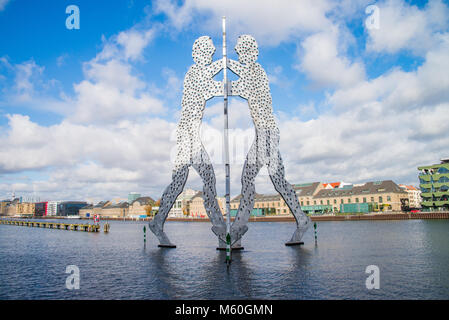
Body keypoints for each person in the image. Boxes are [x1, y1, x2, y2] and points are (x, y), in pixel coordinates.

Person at [227, 35, 311, 245]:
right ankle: (301, 220)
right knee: (279, 181)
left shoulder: (256, 72)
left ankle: (238, 229)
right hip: (268, 132)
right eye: (236, 53)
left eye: (239, 52)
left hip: (266, 133)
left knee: (247, 178)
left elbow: (240, 86)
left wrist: (225, 65)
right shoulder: (252, 71)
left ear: (248, 52)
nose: (238, 55)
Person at [149, 36, 227, 247]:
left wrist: (224, 63)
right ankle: (221, 232)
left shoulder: (199, 71)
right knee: (207, 180)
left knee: (179, 183)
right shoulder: (194, 73)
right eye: (209, 54)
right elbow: (213, 87)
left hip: (187, 135)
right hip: (188, 136)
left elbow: (211, 76)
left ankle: (157, 222)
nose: (211, 58)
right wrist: (226, 63)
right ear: (199, 54)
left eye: (212, 55)